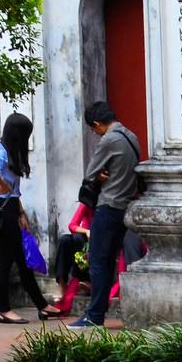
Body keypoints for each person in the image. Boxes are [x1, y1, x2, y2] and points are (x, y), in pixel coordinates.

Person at [70, 100, 142, 329]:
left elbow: (90, 173)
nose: (95, 133)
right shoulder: (132, 136)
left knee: (99, 261)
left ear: (98, 123)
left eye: (94, 129)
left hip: (108, 206)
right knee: (110, 261)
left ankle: (94, 316)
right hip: (125, 207)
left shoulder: (109, 140)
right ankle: (97, 313)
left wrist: (101, 175)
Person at [0, 111, 55, 325]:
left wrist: (21, 212)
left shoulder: (9, 151)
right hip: (3, 211)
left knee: (23, 262)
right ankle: (4, 310)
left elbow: (13, 190)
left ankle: (41, 305)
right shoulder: (0, 151)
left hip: (11, 208)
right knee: (5, 262)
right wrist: (4, 186)